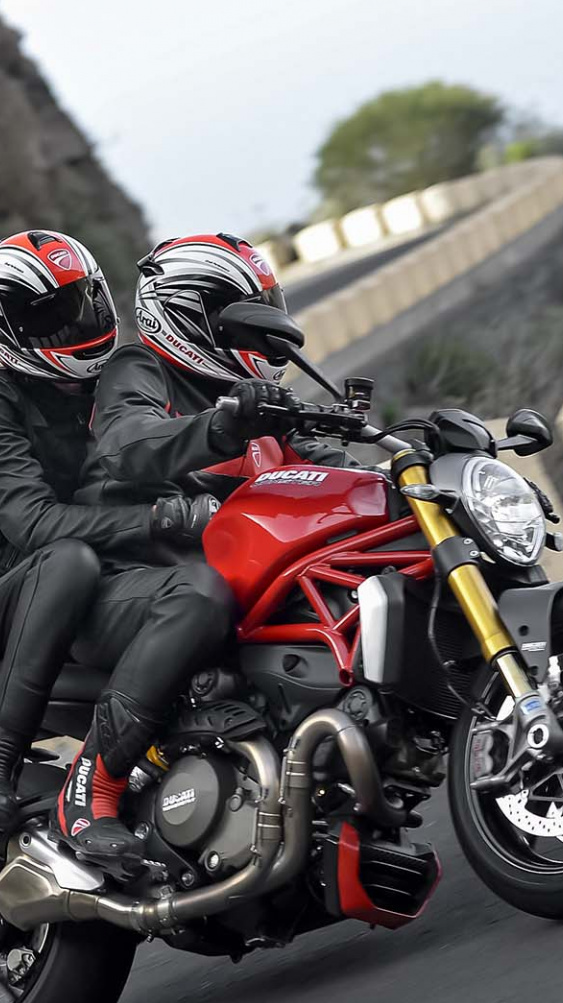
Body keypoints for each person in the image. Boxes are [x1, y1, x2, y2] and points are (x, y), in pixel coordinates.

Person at [58, 232, 351, 862]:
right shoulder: (140, 370)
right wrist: (223, 426)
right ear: (190, 310)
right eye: (243, 310)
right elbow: (127, 445)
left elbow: (325, 469)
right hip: (129, 581)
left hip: (212, 582)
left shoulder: (263, 404)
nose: (264, 325)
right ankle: (93, 785)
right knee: (202, 595)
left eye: (268, 306)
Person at [0, 230, 215, 833]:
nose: (74, 324)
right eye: (52, 316)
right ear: (8, 325)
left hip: (90, 587)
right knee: (68, 559)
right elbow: (30, 523)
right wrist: (157, 519)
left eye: (82, 302)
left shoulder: (114, 382)